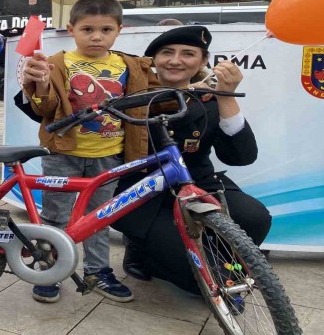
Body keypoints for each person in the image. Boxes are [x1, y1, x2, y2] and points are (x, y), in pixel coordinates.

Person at [21, 0, 159, 304]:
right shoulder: (57, 63)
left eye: (105, 30)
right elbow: (46, 109)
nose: (97, 37)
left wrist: (197, 88)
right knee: (55, 216)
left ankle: (97, 271)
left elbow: (152, 99)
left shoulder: (131, 65)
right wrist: (41, 85)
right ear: (71, 29)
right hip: (63, 154)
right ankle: (50, 270)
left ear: (119, 30)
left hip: (109, 155)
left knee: (99, 218)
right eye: (87, 29)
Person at [113, 25, 271, 295]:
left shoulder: (209, 99)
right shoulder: (128, 95)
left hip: (198, 183)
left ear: (203, 61)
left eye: (188, 53)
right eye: (167, 52)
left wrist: (225, 95)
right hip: (144, 193)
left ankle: (224, 265)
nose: (176, 60)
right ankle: (141, 248)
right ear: (153, 60)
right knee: (188, 269)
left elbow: (241, 157)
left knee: (255, 218)